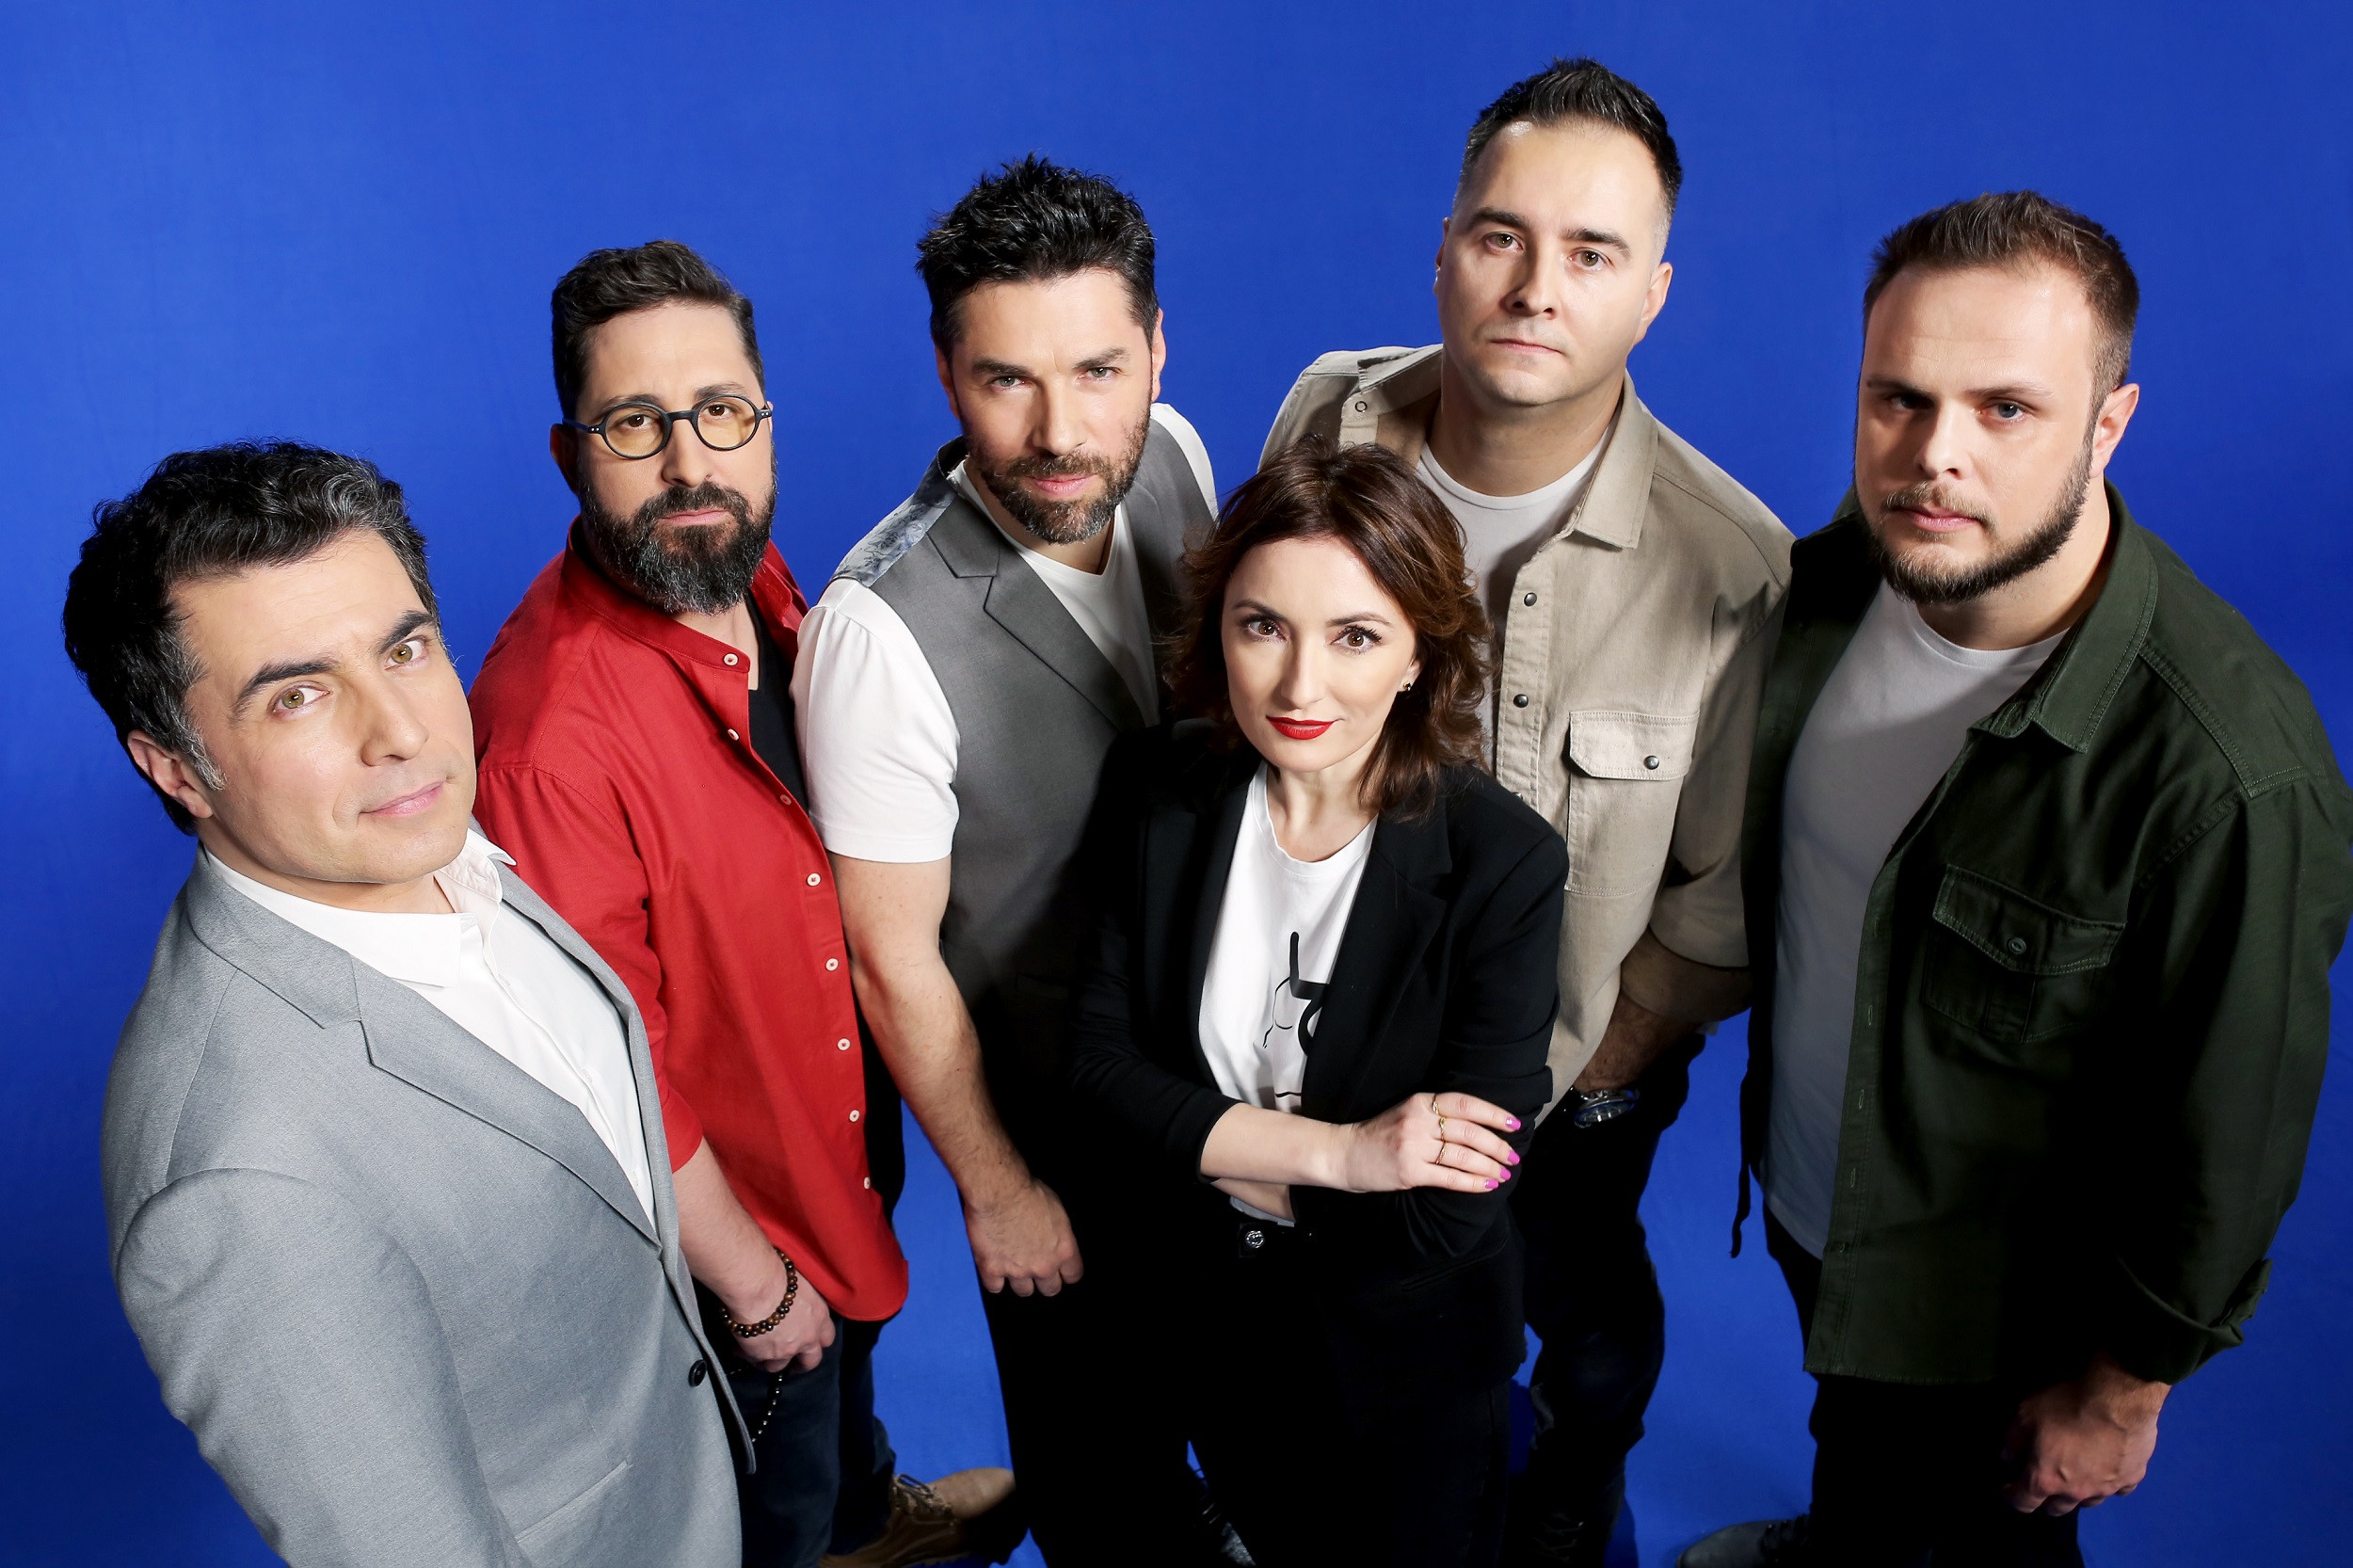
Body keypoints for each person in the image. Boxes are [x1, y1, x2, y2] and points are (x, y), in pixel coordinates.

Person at [1680, 192, 2353, 1568]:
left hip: (1987, 1324)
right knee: (1867, 1467)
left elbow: (2228, 1138)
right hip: (1826, 1214)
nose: (1936, 456)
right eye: (1899, 399)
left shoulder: (2227, 769)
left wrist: (2122, 1391)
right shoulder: (1842, 578)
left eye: (2006, 409)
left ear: (2108, 425)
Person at [1258, 58, 1792, 1564]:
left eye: (1592, 253)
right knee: (1333, 1334)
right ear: (1445, 250)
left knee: (1585, 1317)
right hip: (1326, 1053)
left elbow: (1717, 901)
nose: (1536, 287)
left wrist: (1581, 1072)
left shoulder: (1732, 567)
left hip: (1573, 1086)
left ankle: (1573, 1485)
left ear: (1655, 294)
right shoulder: (1326, 417)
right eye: (1502, 236)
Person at [65, 442, 741, 1567]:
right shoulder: (236, 1182)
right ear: (175, 768)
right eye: (298, 695)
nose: (403, 730)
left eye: (405, 649)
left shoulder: (450, 849)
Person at [467, 242, 1009, 1568]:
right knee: (770, 1501)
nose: (687, 463)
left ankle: (869, 1524)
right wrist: (757, 1292)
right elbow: (612, 1079)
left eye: (720, 412)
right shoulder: (549, 738)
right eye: (633, 424)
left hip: (833, 1158)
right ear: (569, 454)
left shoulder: (747, 582)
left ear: (764, 422)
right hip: (740, 1251)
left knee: (845, 1420)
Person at [792, 156, 1224, 1565]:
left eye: (1100, 370)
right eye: (1005, 381)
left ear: (1156, 348)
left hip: (1218, 1073)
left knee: (1239, 1406)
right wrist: (997, 1186)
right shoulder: (875, 631)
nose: (1060, 432)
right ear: (945, 375)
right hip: (1054, 1120)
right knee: (1099, 1469)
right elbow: (890, 958)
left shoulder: (1177, 457)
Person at [1065, 438, 1564, 1567]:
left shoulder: (1501, 862)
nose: (1299, 687)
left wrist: (1212, 1154)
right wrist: (1344, 1156)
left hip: (1407, 1349)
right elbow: (1096, 1076)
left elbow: (1449, 1208)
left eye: (1354, 636)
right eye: (1263, 626)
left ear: (1419, 654)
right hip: (1212, 1318)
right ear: (1218, 629)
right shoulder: (1157, 785)